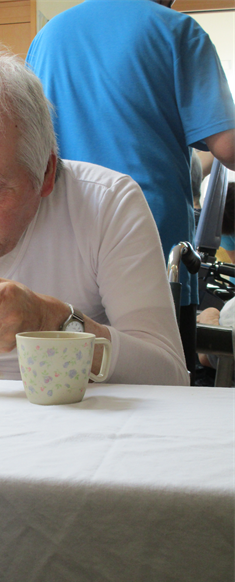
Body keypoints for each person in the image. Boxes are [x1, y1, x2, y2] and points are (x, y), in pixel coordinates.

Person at [0, 45, 189, 386]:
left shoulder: (107, 206)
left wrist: (52, 321)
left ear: (45, 173)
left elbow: (169, 375)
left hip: (83, 422)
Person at [26, 0, 235, 380]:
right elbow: (229, 147)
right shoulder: (177, 31)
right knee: (159, 392)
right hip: (154, 255)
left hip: (64, 253)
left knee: (69, 389)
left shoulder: (48, 37)